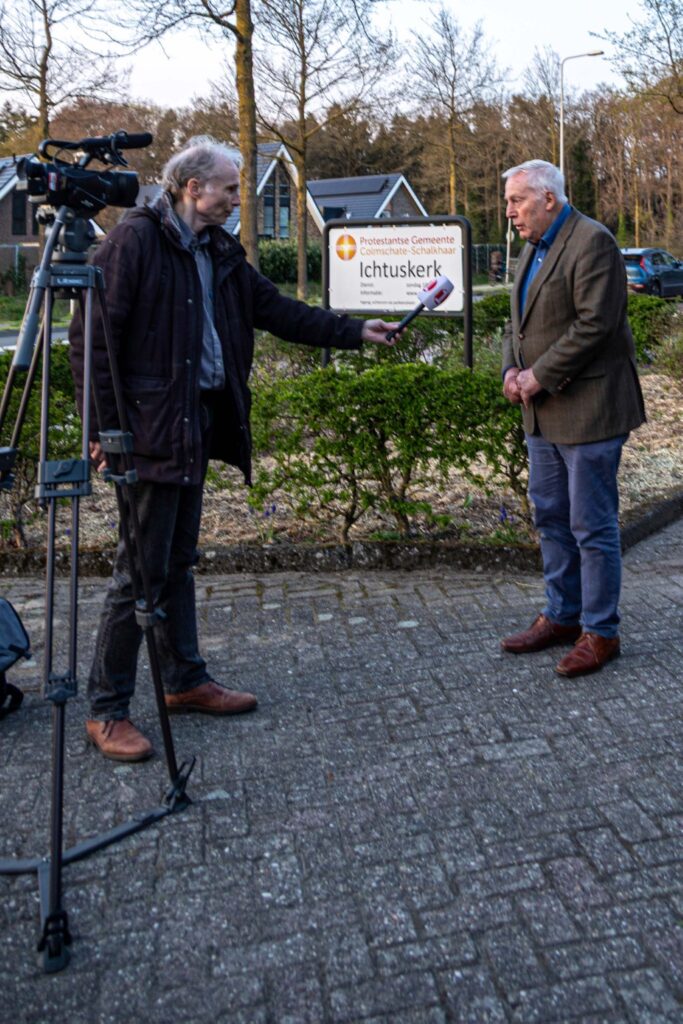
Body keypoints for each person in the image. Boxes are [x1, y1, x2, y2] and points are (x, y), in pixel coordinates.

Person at [69, 136, 401, 762]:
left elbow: (276, 310)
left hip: (192, 426)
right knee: (138, 573)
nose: (235, 199)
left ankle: (183, 680)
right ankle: (106, 708)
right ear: (193, 188)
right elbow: (91, 338)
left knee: (178, 561)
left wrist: (356, 330)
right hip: (145, 432)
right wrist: (103, 431)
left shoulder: (219, 250)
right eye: (228, 188)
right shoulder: (135, 240)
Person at [500, 159, 645, 677]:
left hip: (590, 409)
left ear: (548, 199)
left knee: (591, 526)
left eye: (517, 200)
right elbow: (515, 323)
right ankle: (563, 616)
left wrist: (536, 376)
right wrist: (510, 370)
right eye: (509, 201)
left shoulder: (592, 241)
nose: (509, 211)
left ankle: (601, 632)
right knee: (551, 518)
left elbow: (595, 324)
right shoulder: (531, 246)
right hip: (542, 413)